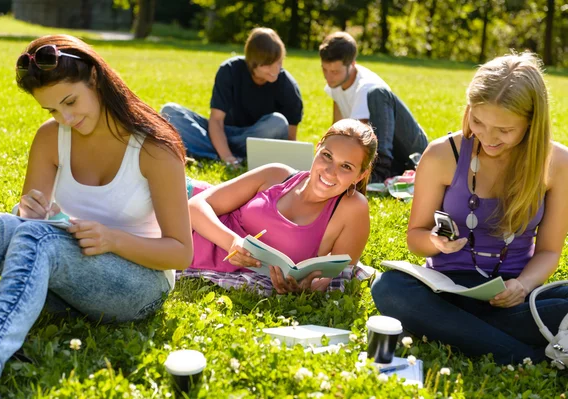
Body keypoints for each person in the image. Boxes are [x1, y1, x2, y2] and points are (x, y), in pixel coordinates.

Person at [0, 35, 193, 398]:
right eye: (53, 110)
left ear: (94, 78)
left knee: (34, 238)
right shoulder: (50, 138)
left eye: (70, 102)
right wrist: (33, 213)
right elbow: (30, 225)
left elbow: (181, 253)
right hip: (65, 278)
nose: (66, 118)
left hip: (140, 286)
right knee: (5, 226)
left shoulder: (154, 148)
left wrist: (112, 239)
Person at [371, 52, 568, 364]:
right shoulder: (441, 154)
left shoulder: (557, 163)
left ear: (532, 123)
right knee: (390, 287)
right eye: (478, 121)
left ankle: (462, 332)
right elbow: (416, 236)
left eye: (504, 130)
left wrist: (522, 285)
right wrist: (434, 242)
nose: (487, 137)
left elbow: (548, 252)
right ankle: (525, 355)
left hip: (515, 296)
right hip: (450, 291)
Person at [179, 119, 377, 296]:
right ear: (317, 148)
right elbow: (195, 205)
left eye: (346, 167)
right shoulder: (277, 175)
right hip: (185, 216)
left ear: (360, 175)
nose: (330, 172)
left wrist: (307, 289)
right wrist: (232, 243)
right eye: (327, 156)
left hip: (191, 248)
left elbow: (336, 276)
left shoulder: (351, 209)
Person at [160, 27, 303, 166]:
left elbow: (289, 140)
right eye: (268, 65)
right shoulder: (229, 70)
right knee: (170, 111)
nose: (275, 70)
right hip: (222, 132)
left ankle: (212, 154)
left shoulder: (287, 86)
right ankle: (229, 156)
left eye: (279, 62)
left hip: (256, 138)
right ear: (252, 62)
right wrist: (227, 156)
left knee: (278, 123)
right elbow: (216, 121)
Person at [319, 32, 428, 182]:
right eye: (324, 70)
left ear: (352, 64)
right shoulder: (335, 83)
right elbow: (337, 130)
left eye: (334, 72)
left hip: (412, 149)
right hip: (391, 155)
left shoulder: (366, 87)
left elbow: (358, 139)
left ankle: (378, 174)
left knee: (378, 93)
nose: (328, 77)